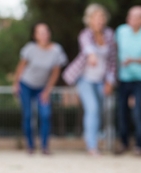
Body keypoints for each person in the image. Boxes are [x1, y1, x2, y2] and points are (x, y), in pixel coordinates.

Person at [63, 3, 116, 156]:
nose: (100, 20)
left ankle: (95, 140)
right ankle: (92, 146)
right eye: (96, 17)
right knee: (92, 108)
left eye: (102, 17)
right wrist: (92, 55)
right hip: (84, 78)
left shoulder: (109, 35)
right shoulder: (85, 34)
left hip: (101, 79)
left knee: (99, 110)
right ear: (90, 20)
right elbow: (87, 47)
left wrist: (110, 81)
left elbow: (112, 61)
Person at [13, 23, 67, 154]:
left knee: (45, 114)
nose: (44, 34)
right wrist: (16, 84)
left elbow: (55, 73)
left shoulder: (56, 50)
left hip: (42, 87)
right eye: (40, 32)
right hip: (26, 85)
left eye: (46, 31)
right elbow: (21, 67)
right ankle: (30, 146)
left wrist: (47, 91)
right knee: (28, 115)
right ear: (35, 35)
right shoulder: (29, 49)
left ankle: (44, 147)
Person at [115, 6, 141, 156]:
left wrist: (132, 60)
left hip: (140, 79)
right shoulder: (121, 31)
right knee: (121, 112)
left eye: (133, 16)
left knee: (137, 112)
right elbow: (114, 50)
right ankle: (123, 143)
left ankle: (139, 145)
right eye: (129, 15)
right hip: (123, 78)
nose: (129, 19)